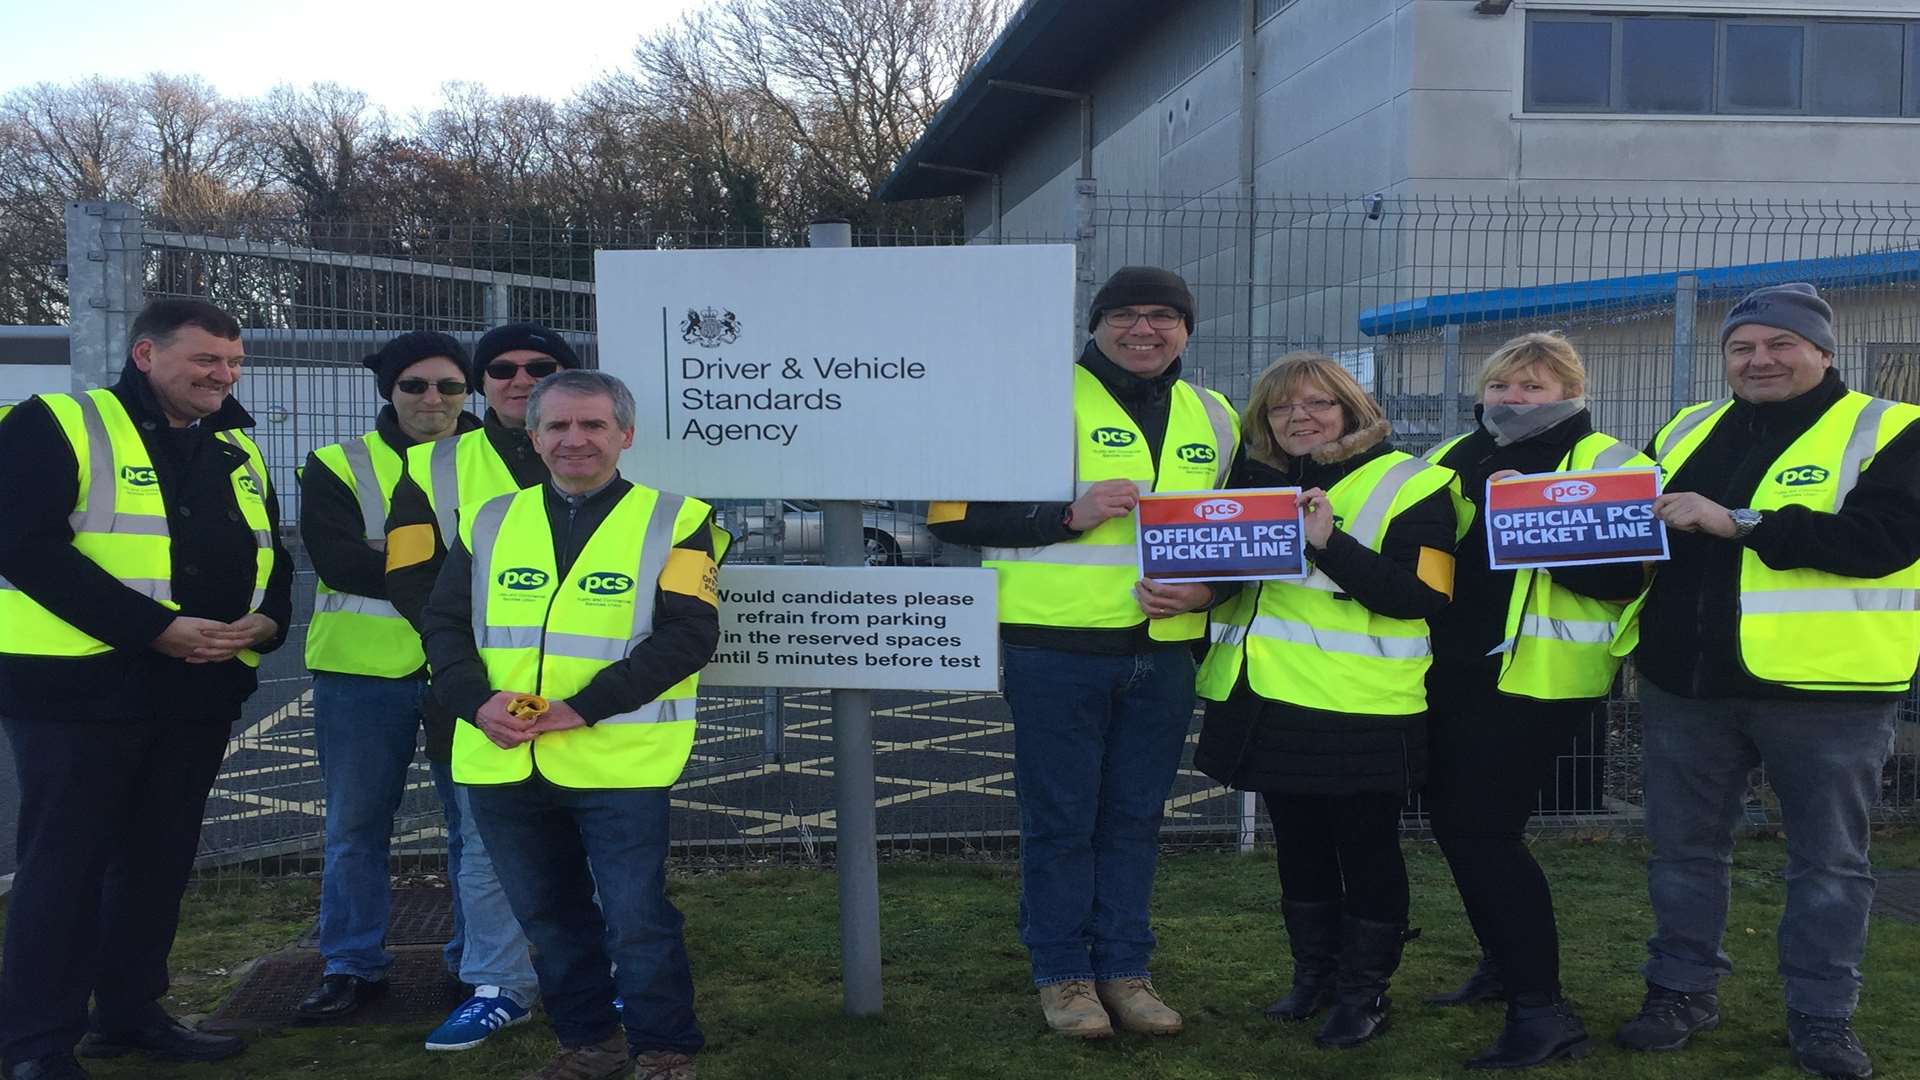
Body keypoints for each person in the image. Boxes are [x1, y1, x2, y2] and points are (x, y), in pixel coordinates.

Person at [1612, 283, 1920, 1080]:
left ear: (1823, 352)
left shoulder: (1890, 429)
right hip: (1687, 683)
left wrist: (1739, 521)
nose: (1760, 360)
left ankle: (1822, 1017)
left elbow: (1884, 539)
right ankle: (1679, 991)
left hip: (1829, 693)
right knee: (1682, 853)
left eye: (1781, 344)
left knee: (1829, 865)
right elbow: (1632, 526)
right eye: (1743, 348)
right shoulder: (1686, 427)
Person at [927, 266, 1240, 1039]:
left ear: (1186, 329)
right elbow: (951, 514)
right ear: (1095, 326)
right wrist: (1066, 516)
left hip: (1165, 650)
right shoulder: (1039, 398)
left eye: (1163, 316)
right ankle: (1065, 977)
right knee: (1063, 820)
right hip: (1054, 649)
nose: (1144, 330)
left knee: (1134, 818)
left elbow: (1245, 533)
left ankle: (1126, 969)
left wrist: (1209, 594)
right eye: (1125, 315)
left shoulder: (1217, 413)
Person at [0, 299, 293, 1080]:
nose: (222, 376)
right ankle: (35, 1045)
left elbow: (272, 555)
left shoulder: (234, 444)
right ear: (144, 354)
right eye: (204, 360)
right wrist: (152, 628)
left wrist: (266, 623)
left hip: (196, 690)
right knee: (65, 869)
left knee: (158, 861)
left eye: (232, 362)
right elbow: (20, 545)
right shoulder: (56, 422)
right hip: (79, 694)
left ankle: (129, 1014)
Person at [419, 370, 722, 1080]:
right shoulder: (489, 518)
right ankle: (590, 1045)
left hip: (618, 757)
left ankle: (664, 1050)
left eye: (592, 426)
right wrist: (474, 701)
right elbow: (443, 623)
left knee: (637, 920)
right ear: (534, 436)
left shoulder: (676, 519)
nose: (575, 440)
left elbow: (688, 635)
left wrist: (580, 708)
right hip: (501, 756)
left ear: (625, 435)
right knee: (549, 922)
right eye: (557, 427)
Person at [1194, 352, 1465, 1050]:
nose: (1299, 418)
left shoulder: (1413, 483)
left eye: (1317, 404)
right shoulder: (1252, 480)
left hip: (1362, 706)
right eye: (1282, 408)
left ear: (1351, 409)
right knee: (1300, 849)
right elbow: (1232, 580)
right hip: (1269, 700)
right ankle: (1312, 977)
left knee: (1367, 851)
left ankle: (1363, 991)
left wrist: (1327, 542)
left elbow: (1421, 598)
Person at [1421, 332, 1651, 1068]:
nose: (1515, 399)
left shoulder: (1611, 462)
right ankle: (1503, 964)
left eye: (1534, 387)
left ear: (1571, 392)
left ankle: (1542, 1009)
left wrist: (1537, 534)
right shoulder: (1450, 458)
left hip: (1542, 677)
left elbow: (1628, 578)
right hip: (1453, 671)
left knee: (1482, 830)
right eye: (1503, 386)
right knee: (1459, 827)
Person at [385, 322, 582, 1049]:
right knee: (485, 844)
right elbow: (410, 576)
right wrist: (475, 678)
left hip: (591, 699)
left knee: (600, 841)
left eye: (541, 365)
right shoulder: (437, 464)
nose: (521, 378)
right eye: (502, 367)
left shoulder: (602, 442)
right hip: (483, 696)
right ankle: (499, 983)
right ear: (481, 380)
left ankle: (601, 975)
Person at [294, 332, 485, 1023]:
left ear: (469, 393)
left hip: (463, 670)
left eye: (449, 386)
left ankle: (477, 963)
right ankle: (351, 965)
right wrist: (453, 574)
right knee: (355, 827)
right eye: (414, 385)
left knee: (475, 827)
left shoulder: (497, 458)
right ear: (389, 389)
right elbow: (341, 563)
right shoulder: (337, 463)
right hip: (361, 671)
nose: (432, 399)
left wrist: (401, 558)